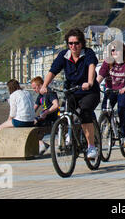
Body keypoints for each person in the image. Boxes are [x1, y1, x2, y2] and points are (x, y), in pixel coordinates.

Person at [40, 28, 100, 160]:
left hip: (89, 91)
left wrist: (90, 82)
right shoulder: (64, 55)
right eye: (70, 43)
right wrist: (44, 86)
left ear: (82, 43)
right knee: (65, 111)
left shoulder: (88, 53)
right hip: (72, 90)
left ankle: (91, 146)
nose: (73, 46)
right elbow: (53, 70)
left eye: (76, 43)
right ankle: (69, 134)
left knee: (84, 113)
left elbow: (91, 66)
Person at [0, 79, 35, 160]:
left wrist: (7, 121)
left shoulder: (13, 95)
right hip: (31, 121)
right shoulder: (27, 92)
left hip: (21, 121)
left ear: (10, 88)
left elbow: (12, 113)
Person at [97, 40, 125, 147]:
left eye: (116, 50)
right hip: (111, 90)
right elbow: (101, 75)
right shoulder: (107, 62)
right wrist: (94, 85)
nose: (114, 52)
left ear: (122, 50)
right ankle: (110, 130)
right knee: (105, 109)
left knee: (122, 109)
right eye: (112, 50)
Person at [31, 76, 60, 154]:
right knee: (29, 122)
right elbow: (34, 109)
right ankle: (41, 143)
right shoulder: (40, 95)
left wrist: (46, 112)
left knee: (32, 123)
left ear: (40, 85)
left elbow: (56, 105)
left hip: (52, 117)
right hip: (44, 117)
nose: (34, 90)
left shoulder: (50, 93)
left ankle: (41, 144)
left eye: (34, 88)